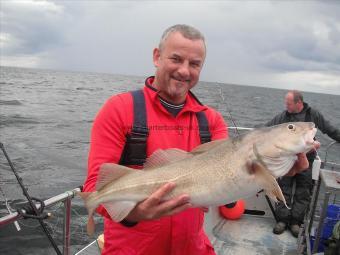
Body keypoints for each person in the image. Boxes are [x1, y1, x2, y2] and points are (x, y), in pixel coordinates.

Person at [83, 25, 313, 255]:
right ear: (156, 56)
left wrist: (277, 171)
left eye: (194, 64)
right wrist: (137, 213)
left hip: (191, 247)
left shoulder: (212, 121)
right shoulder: (118, 109)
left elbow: (229, 182)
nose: (184, 71)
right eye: (176, 59)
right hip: (131, 249)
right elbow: (95, 186)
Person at [266, 90, 340, 238]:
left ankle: (295, 222)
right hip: (287, 159)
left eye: (289, 103)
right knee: (283, 188)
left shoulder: (313, 115)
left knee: (303, 191)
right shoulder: (283, 116)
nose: (286, 105)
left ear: (298, 103)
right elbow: (266, 129)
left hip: (307, 159)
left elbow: (329, 129)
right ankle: (282, 220)